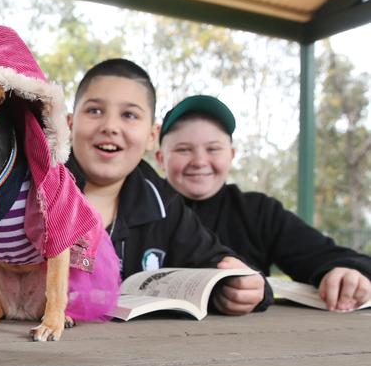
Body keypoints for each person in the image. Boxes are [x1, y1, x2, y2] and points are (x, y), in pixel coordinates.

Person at [65, 59, 268, 316]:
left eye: (129, 115)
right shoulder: (31, 187)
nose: (110, 127)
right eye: (94, 111)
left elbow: (215, 262)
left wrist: (242, 288)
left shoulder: (164, 203)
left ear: (151, 135)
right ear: (70, 124)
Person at [155, 94, 371, 311]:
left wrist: (346, 272)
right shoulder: (138, 209)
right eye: (183, 149)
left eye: (213, 149)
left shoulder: (258, 211)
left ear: (231, 155)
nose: (200, 161)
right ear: (160, 159)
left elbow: (327, 256)